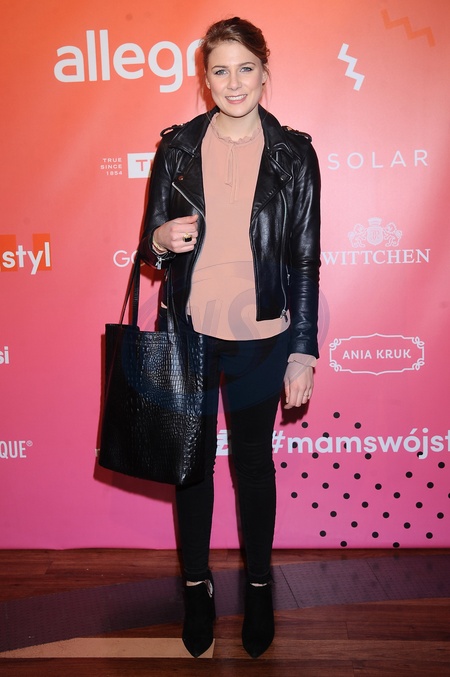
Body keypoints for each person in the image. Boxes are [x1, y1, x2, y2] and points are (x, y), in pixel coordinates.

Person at [138, 17, 321, 658]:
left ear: (265, 74)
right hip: (189, 330)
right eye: (220, 70)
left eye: (246, 68)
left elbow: (304, 259)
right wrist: (160, 239)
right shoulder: (177, 148)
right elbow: (149, 248)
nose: (234, 82)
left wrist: (303, 348)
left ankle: (260, 586)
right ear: (205, 79)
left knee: (252, 464)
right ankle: (196, 587)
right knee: (191, 468)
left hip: (262, 334)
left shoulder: (294, 154)